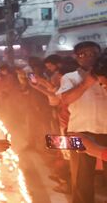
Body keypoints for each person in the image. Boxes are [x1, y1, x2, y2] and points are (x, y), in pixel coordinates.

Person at [56, 41, 107, 203]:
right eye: (83, 54)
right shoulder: (69, 77)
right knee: (80, 178)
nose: (88, 57)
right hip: (78, 131)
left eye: (93, 53)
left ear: (99, 55)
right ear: (76, 58)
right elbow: (66, 98)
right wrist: (87, 82)